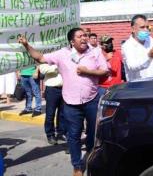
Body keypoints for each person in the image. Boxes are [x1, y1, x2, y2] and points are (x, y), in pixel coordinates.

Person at [18, 28, 108, 176]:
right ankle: (77, 166)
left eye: (85, 35)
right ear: (72, 41)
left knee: (92, 133)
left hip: (92, 100)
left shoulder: (95, 52)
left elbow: (105, 71)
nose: (84, 38)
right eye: (80, 36)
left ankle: (91, 160)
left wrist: (88, 72)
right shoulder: (62, 54)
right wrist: (27, 45)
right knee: (73, 135)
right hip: (71, 103)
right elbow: (40, 58)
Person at [39, 64, 66, 145]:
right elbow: (43, 69)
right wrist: (58, 66)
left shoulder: (65, 56)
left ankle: (61, 133)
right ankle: (50, 135)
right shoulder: (49, 57)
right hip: (52, 89)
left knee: (62, 114)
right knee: (50, 114)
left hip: (65, 88)